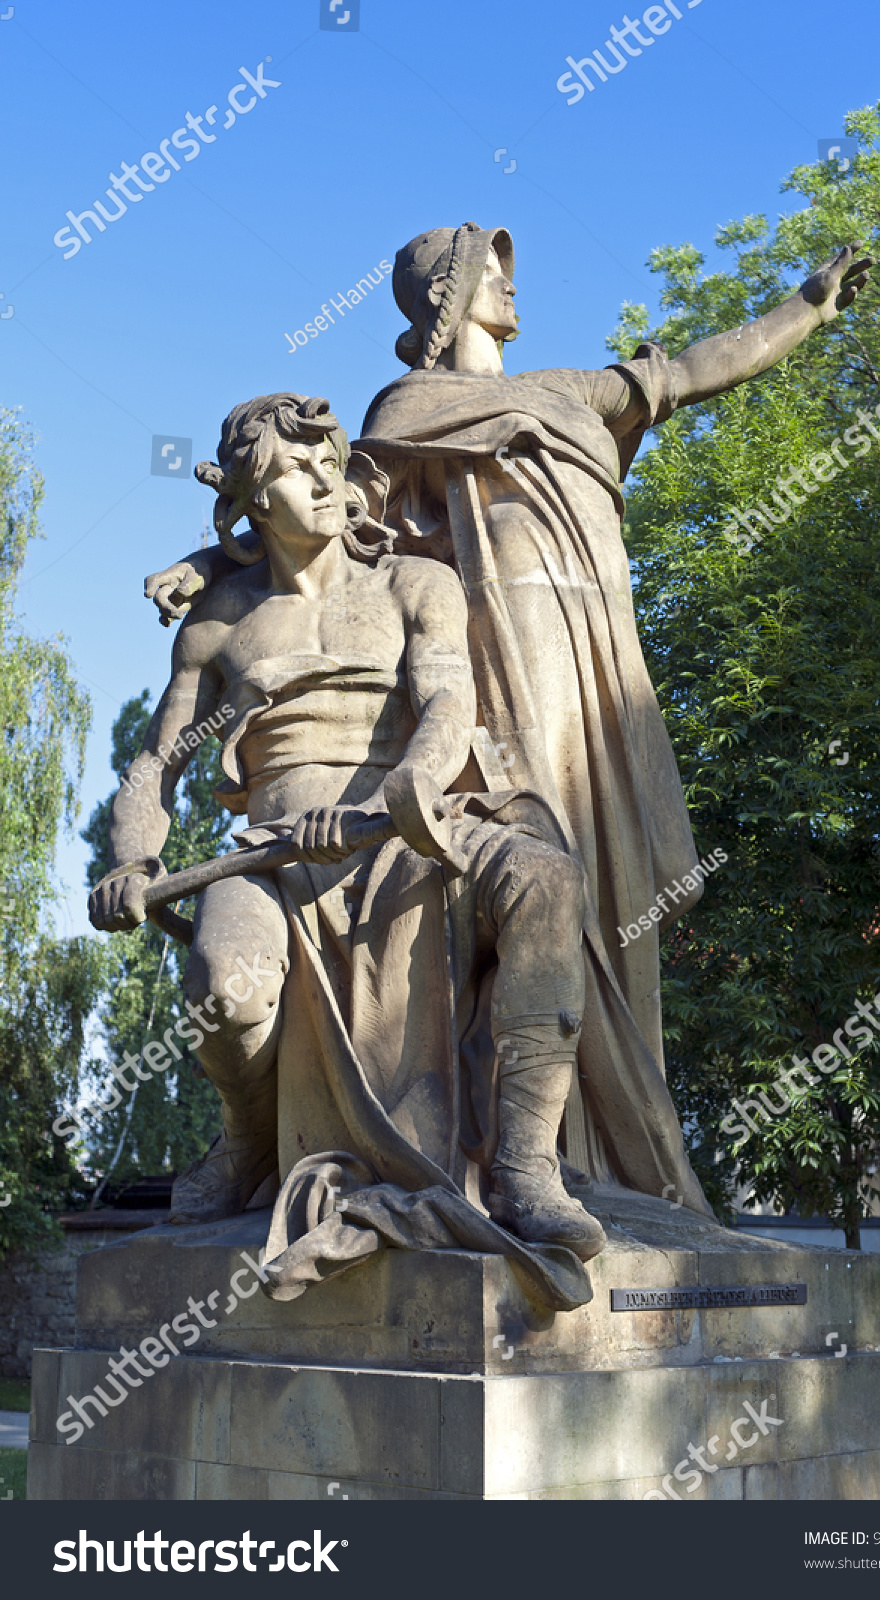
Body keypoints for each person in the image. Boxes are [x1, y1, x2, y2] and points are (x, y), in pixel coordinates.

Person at [143, 225, 871, 1208]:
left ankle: (593, 1154)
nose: (511, 288)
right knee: (521, 863)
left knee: (602, 895)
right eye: (491, 273)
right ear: (447, 296)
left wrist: (805, 307)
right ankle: (517, 1153)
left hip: (588, 667)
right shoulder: (406, 411)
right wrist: (212, 561)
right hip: (487, 663)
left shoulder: (561, 392)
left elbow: (690, 373)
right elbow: (323, 521)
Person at [90, 392, 607, 1308]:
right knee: (224, 991)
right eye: (295, 468)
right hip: (270, 852)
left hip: (404, 830)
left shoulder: (414, 584)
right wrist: (132, 861)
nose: (325, 479)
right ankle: (247, 1135)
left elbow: (448, 701)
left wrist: (411, 780)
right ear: (251, 499)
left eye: (328, 458)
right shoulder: (215, 624)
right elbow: (154, 767)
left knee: (547, 882)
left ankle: (528, 1167)